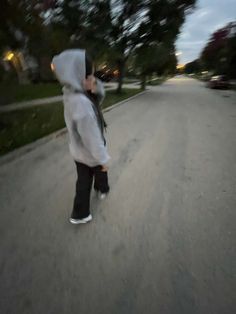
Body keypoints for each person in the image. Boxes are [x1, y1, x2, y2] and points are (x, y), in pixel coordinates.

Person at [52, 49, 110, 224]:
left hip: (78, 152)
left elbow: (99, 98)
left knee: (84, 180)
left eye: (93, 75)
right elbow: (91, 137)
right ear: (76, 76)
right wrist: (103, 158)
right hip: (91, 150)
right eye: (89, 76)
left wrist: (95, 87)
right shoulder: (82, 104)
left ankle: (82, 211)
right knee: (100, 170)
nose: (93, 79)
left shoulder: (72, 92)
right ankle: (86, 207)